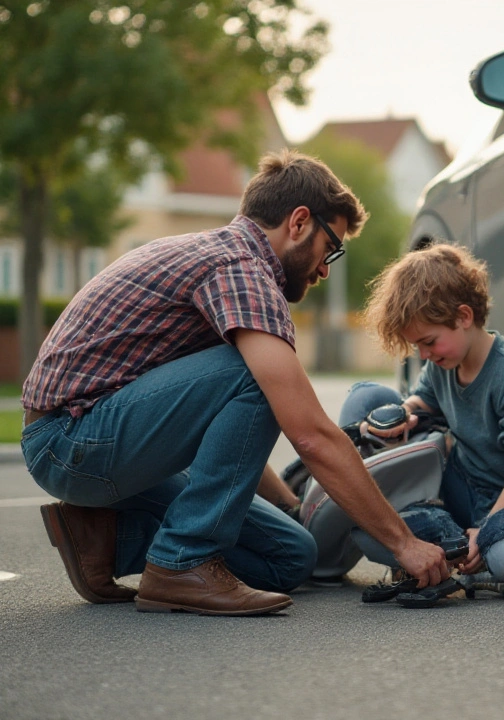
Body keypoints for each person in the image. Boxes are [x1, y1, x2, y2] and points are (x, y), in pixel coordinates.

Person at [19, 150, 452, 616]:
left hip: (103, 444)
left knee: (291, 555)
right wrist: (405, 544)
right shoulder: (239, 269)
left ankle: (105, 536)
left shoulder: (222, 257)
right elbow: (308, 432)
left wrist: (291, 508)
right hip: (70, 440)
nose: (326, 268)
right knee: (261, 374)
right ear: (299, 222)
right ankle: (183, 561)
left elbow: (226, 428)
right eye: (332, 248)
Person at [347, 243, 504, 586]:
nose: (423, 354)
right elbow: (423, 400)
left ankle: (502, 561)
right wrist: (405, 413)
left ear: (464, 317)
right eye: (417, 346)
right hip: (470, 497)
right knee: (368, 534)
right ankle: (454, 555)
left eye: (429, 342)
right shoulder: (443, 364)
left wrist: (487, 530)